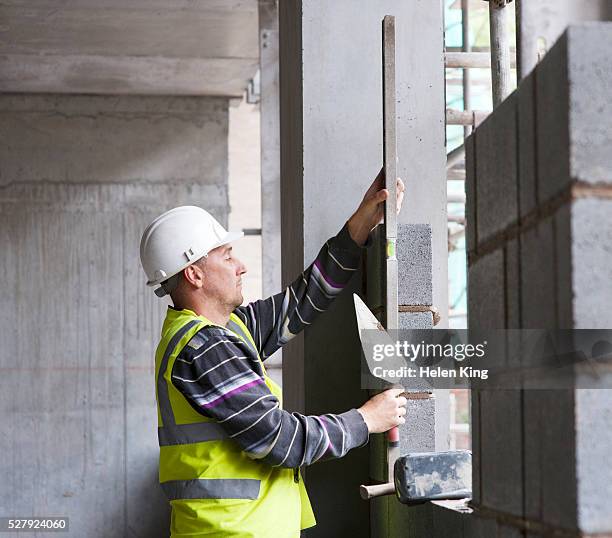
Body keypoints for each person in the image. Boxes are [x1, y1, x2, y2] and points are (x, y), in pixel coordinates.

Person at [139, 170, 407, 537]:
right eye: (227, 255)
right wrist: (366, 420)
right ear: (194, 275)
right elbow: (281, 441)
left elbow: (302, 301)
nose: (241, 266)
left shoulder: (228, 330)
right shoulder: (205, 349)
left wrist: (361, 222)